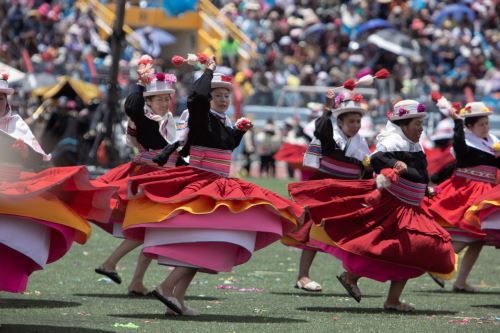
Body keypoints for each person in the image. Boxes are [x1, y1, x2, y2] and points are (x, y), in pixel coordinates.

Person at [122, 58, 303, 316]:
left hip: (218, 185)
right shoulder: (200, 116)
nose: (222, 99)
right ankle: (166, 288)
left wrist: (239, 132)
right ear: (208, 97)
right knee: (211, 242)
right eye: (217, 95)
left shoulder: (221, 121)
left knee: (210, 243)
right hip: (202, 186)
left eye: (226, 95)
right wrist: (208, 70)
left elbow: (225, 146)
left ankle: (176, 300)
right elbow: (195, 97)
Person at [291, 99, 456, 311]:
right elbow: (378, 160)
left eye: (421, 124)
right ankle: (323, 276)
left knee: (407, 252)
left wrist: (424, 189)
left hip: (413, 208)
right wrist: (393, 165)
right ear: (404, 124)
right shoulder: (391, 142)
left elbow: (416, 173)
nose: (421, 129)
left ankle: (390, 299)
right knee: (389, 248)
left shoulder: (413, 144)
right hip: (395, 208)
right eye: (417, 124)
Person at [0, 72, 115, 293]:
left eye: (1, 99)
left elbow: (38, 159)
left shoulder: (16, 124)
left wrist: (23, 153)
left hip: (13, 187)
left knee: (12, 236)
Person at [93, 56, 182, 296]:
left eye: (167, 98)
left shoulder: (166, 120)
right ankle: (110, 263)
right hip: (153, 177)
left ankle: (135, 281)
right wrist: (141, 84)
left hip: (164, 176)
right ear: (149, 101)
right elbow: (131, 106)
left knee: (153, 231)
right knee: (149, 228)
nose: (164, 103)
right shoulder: (145, 118)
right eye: (159, 99)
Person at [285, 89, 372, 292]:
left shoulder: (361, 143)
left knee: (356, 235)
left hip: (348, 194)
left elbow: (367, 170)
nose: (356, 125)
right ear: (340, 122)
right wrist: (328, 109)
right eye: (351, 121)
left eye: (358, 122)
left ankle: (350, 276)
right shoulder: (330, 135)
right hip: (325, 190)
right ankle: (303, 277)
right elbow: (321, 129)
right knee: (312, 232)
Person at [428, 102, 499, 292]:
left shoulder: (491, 142)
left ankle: (461, 281)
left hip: (487, 192)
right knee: (470, 235)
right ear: (469, 126)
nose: (486, 127)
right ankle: (437, 265)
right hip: (472, 193)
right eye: (481, 124)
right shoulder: (466, 143)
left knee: (479, 239)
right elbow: (458, 150)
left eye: (487, 123)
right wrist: (457, 123)